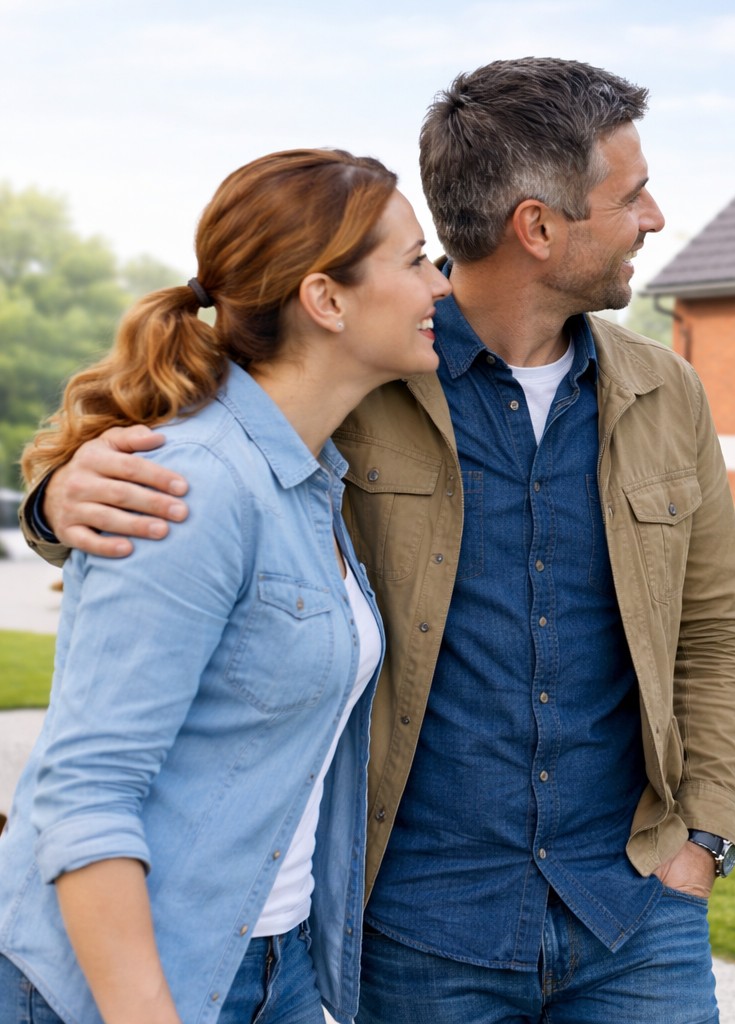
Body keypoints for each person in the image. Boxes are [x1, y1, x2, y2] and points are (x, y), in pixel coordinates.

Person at [23, 58, 735, 1023]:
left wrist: (701, 843)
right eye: (632, 196)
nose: (655, 217)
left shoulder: (668, 393)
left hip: (634, 913)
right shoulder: (364, 370)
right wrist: (54, 498)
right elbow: (186, 463)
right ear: (535, 227)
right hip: (419, 924)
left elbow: (715, 625)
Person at [0, 149, 452, 1023]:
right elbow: (83, 790)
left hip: (267, 966)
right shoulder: (195, 484)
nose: (440, 286)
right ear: (325, 300)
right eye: (415, 260)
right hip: (123, 984)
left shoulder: (315, 478)